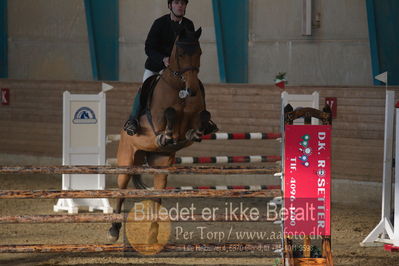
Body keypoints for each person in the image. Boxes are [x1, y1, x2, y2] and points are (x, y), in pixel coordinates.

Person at [123, 0, 217, 136]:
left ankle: (203, 120)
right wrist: (163, 58)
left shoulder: (188, 24)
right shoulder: (159, 23)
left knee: (197, 86)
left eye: (183, 4)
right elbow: (149, 47)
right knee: (144, 87)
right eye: (177, 3)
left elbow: (190, 48)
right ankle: (133, 120)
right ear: (170, 6)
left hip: (180, 70)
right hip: (157, 66)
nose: (180, 6)